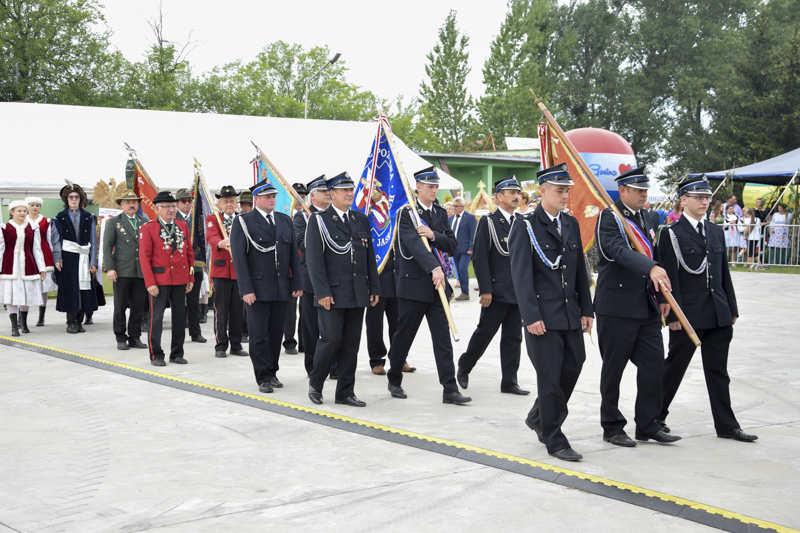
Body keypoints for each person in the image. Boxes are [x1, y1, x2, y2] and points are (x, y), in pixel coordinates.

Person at [658, 176, 758, 442]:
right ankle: (654, 417)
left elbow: (723, 272)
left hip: (717, 312)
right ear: (684, 200)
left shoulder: (714, 231)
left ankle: (726, 425)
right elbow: (669, 279)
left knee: (718, 372)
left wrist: (731, 307)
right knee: (674, 368)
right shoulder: (671, 233)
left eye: (706, 198)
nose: (704, 202)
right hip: (688, 315)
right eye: (698, 197)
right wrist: (674, 317)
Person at [508, 164, 594, 462]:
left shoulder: (570, 224)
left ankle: (539, 416)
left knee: (574, 365)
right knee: (549, 376)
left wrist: (587, 308)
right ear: (542, 191)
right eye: (560, 190)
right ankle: (554, 438)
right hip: (541, 317)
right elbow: (521, 276)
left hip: (569, 313)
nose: (565, 195)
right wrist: (530, 316)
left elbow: (579, 269)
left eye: (567, 190)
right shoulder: (525, 225)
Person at [594, 166, 680, 447]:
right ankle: (612, 426)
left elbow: (655, 255)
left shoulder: (648, 217)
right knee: (614, 369)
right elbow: (615, 251)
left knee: (654, 365)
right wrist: (652, 267)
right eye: (638, 190)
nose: (644, 194)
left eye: (645, 189)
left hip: (647, 307)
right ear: (623, 191)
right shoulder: (610, 217)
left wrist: (664, 298)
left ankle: (647, 424)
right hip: (616, 306)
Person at [386, 167, 471, 404]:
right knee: (404, 336)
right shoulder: (406, 213)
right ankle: (394, 379)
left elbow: (452, 245)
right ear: (418, 188)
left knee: (442, 338)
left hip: (438, 288)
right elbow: (412, 243)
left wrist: (433, 234)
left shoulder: (440, 214)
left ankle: (450, 389)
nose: (434, 190)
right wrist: (434, 268)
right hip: (414, 285)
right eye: (430, 186)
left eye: (436, 186)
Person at [305, 172, 380, 406]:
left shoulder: (361, 219)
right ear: (332, 194)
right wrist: (322, 292)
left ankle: (345, 392)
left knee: (350, 344)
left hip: (358, 292)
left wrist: (373, 287)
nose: (350, 194)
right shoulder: (318, 220)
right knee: (330, 339)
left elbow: (369, 257)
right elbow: (314, 260)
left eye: (351, 190)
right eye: (344, 191)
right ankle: (316, 383)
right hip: (332, 294)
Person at [457, 176, 528, 395]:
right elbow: (480, 257)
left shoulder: (522, 222)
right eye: (510, 193)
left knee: (513, 337)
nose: (516, 196)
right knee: (485, 333)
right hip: (496, 291)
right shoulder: (488, 222)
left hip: (518, 291)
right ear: (498, 197)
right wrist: (485, 289)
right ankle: (465, 366)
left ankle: (509, 380)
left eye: (517, 192)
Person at [230, 180, 303, 393]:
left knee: (275, 333)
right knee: (259, 334)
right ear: (257, 199)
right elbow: (239, 259)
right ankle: (262, 376)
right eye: (268, 197)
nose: (272, 200)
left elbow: (292, 257)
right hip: (258, 288)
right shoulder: (244, 222)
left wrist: (297, 282)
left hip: (282, 286)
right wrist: (246, 289)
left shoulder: (284, 220)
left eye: (274, 196)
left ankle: (272, 371)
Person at [138, 191, 194, 366]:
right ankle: (156, 354)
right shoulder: (148, 228)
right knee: (156, 319)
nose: (171, 210)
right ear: (157, 209)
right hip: (159, 280)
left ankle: (177, 353)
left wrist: (190, 277)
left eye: (173, 206)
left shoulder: (182, 225)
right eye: (167, 206)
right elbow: (144, 258)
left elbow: (189, 253)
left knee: (179, 318)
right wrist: (150, 283)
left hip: (179, 279)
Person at [102, 189, 149, 350]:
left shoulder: (144, 221)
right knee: (120, 306)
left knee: (138, 306)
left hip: (140, 271)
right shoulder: (114, 222)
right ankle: (120, 337)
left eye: (134, 202)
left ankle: (134, 337)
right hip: (121, 270)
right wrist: (110, 268)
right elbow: (107, 247)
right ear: (121, 205)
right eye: (128, 202)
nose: (131, 205)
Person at [294, 175, 331, 377]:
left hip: (334, 278)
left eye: (328, 191)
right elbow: (301, 243)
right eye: (323, 192)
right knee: (311, 327)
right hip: (310, 279)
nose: (328, 194)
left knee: (333, 327)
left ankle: (333, 365)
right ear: (313, 196)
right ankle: (313, 366)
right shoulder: (303, 217)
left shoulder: (335, 214)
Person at [50, 182, 98, 333]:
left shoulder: (89, 217)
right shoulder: (59, 218)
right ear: (66, 199)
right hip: (68, 258)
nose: (74, 199)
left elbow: (93, 240)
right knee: (70, 288)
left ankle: (79, 321)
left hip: (84, 256)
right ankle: (70, 322)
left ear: (81, 198)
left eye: (77, 197)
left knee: (84, 289)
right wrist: (58, 258)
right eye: (71, 197)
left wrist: (93, 261)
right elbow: (55, 240)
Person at [206, 186, 248, 358]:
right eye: (225, 201)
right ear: (219, 203)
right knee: (221, 310)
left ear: (237, 203)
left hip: (239, 271)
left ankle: (236, 345)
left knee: (238, 310)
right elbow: (211, 236)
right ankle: (221, 345)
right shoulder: (214, 218)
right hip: (221, 271)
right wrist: (221, 243)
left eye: (232, 201)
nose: (229, 204)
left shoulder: (243, 219)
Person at [1, 201, 47, 336]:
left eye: (24, 211)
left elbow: (37, 249)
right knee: (11, 295)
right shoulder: (4, 228)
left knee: (25, 295)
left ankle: (24, 323)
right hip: (10, 265)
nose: (22, 213)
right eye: (19, 211)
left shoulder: (32, 228)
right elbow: (0, 249)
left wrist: (42, 268)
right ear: (11, 212)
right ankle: (14, 326)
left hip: (28, 264)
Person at [175, 188, 206, 344]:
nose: (187, 204)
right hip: (178, 267)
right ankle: (179, 334)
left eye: (189, 201)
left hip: (196, 265)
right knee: (179, 303)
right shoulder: (172, 219)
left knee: (194, 302)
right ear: (177, 203)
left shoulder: (197, 219)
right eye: (183, 201)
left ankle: (195, 332)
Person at [282, 183, 307, 356]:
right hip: (291, 268)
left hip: (306, 267)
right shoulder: (286, 217)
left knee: (306, 309)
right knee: (290, 310)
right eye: (296, 196)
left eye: (302, 196)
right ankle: (289, 342)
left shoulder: (310, 216)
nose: (300, 199)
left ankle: (305, 342)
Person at [25, 197, 57, 326]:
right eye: (32, 205)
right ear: (28, 206)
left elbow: (50, 239)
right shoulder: (22, 220)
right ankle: (23, 318)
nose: (34, 207)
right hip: (28, 253)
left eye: (37, 205)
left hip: (44, 253)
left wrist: (55, 255)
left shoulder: (46, 221)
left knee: (43, 287)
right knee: (27, 285)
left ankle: (41, 316)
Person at [449, 196, 477, 300]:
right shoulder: (451, 219)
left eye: (456, 206)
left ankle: (465, 293)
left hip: (466, 250)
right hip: (454, 249)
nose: (454, 208)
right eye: (453, 206)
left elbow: (473, 233)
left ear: (462, 207)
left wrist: (471, 247)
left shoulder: (470, 217)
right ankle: (463, 292)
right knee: (459, 271)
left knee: (462, 269)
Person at [237, 189, 254, 343]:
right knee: (242, 306)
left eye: (249, 204)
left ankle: (248, 330)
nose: (245, 208)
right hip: (241, 269)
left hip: (256, 270)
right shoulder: (240, 220)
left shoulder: (254, 220)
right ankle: (243, 331)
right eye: (243, 204)